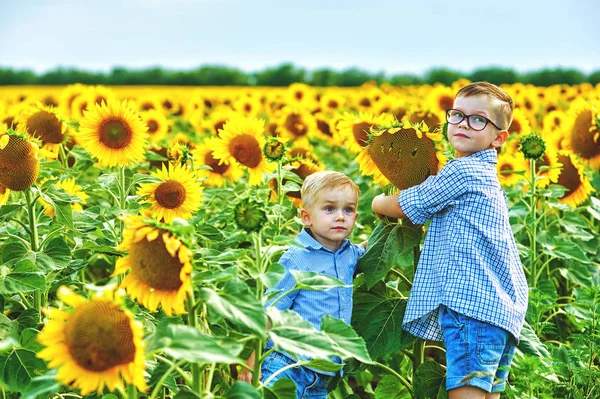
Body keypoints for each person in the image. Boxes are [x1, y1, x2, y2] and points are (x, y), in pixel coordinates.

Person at [371, 81, 528, 399]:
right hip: (500, 311)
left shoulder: (463, 172)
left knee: (465, 393)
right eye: (457, 115)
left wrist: (377, 203)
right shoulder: (484, 175)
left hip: (475, 309)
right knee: (487, 394)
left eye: (478, 119)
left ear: (498, 138)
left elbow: (407, 205)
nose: (463, 124)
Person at [240, 170, 367, 399]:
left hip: (323, 372)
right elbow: (272, 309)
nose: (340, 216)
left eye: (347, 210)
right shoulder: (296, 257)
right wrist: (253, 358)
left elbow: (371, 247)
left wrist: (394, 219)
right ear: (306, 217)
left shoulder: (350, 254)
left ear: (356, 217)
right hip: (286, 364)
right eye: (329, 209)